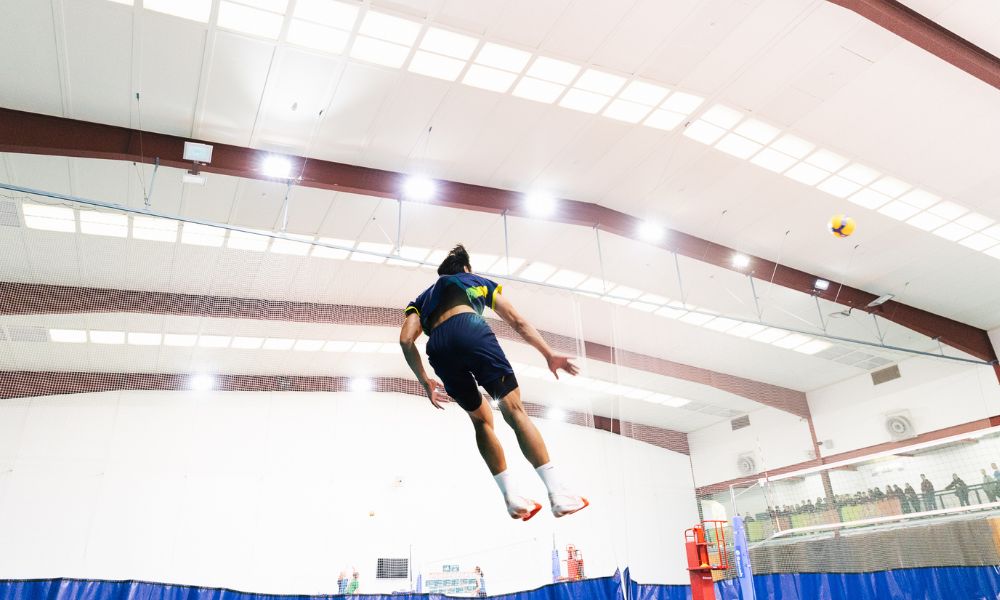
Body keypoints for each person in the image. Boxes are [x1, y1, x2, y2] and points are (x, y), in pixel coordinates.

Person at [399, 245, 589, 521]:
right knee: (514, 409)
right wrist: (548, 354)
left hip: (438, 348)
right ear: (466, 268)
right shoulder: (474, 280)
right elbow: (517, 321)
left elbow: (406, 341)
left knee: (481, 420)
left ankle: (511, 497)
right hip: (469, 329)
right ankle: (557, 493)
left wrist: (425, 381)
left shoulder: (420, 300)